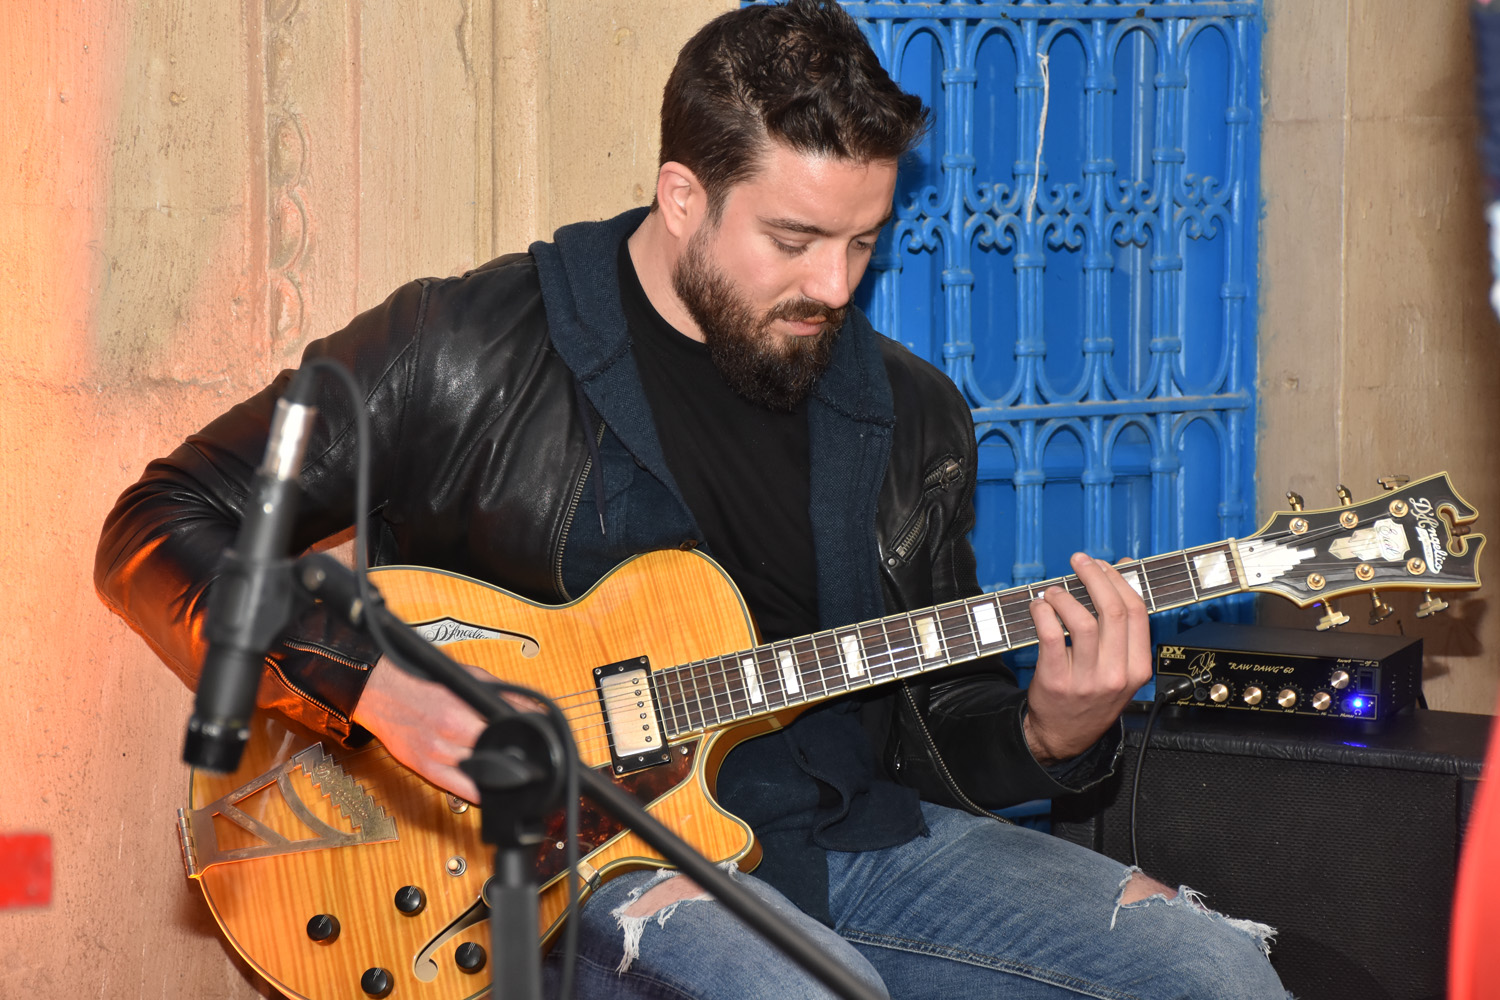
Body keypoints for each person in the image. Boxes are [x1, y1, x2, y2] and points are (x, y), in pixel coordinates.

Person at [96, 2, 1289, 997]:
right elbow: (158, 521)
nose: (835, 286)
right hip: (559, 861)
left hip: (844, 838)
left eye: (863, 243)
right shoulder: (459, 348)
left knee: (1213, 971)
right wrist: (378, 690)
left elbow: (937, 721)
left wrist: (1051, 733)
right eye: (794, 239)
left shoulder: (910, 417)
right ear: (682, 195)